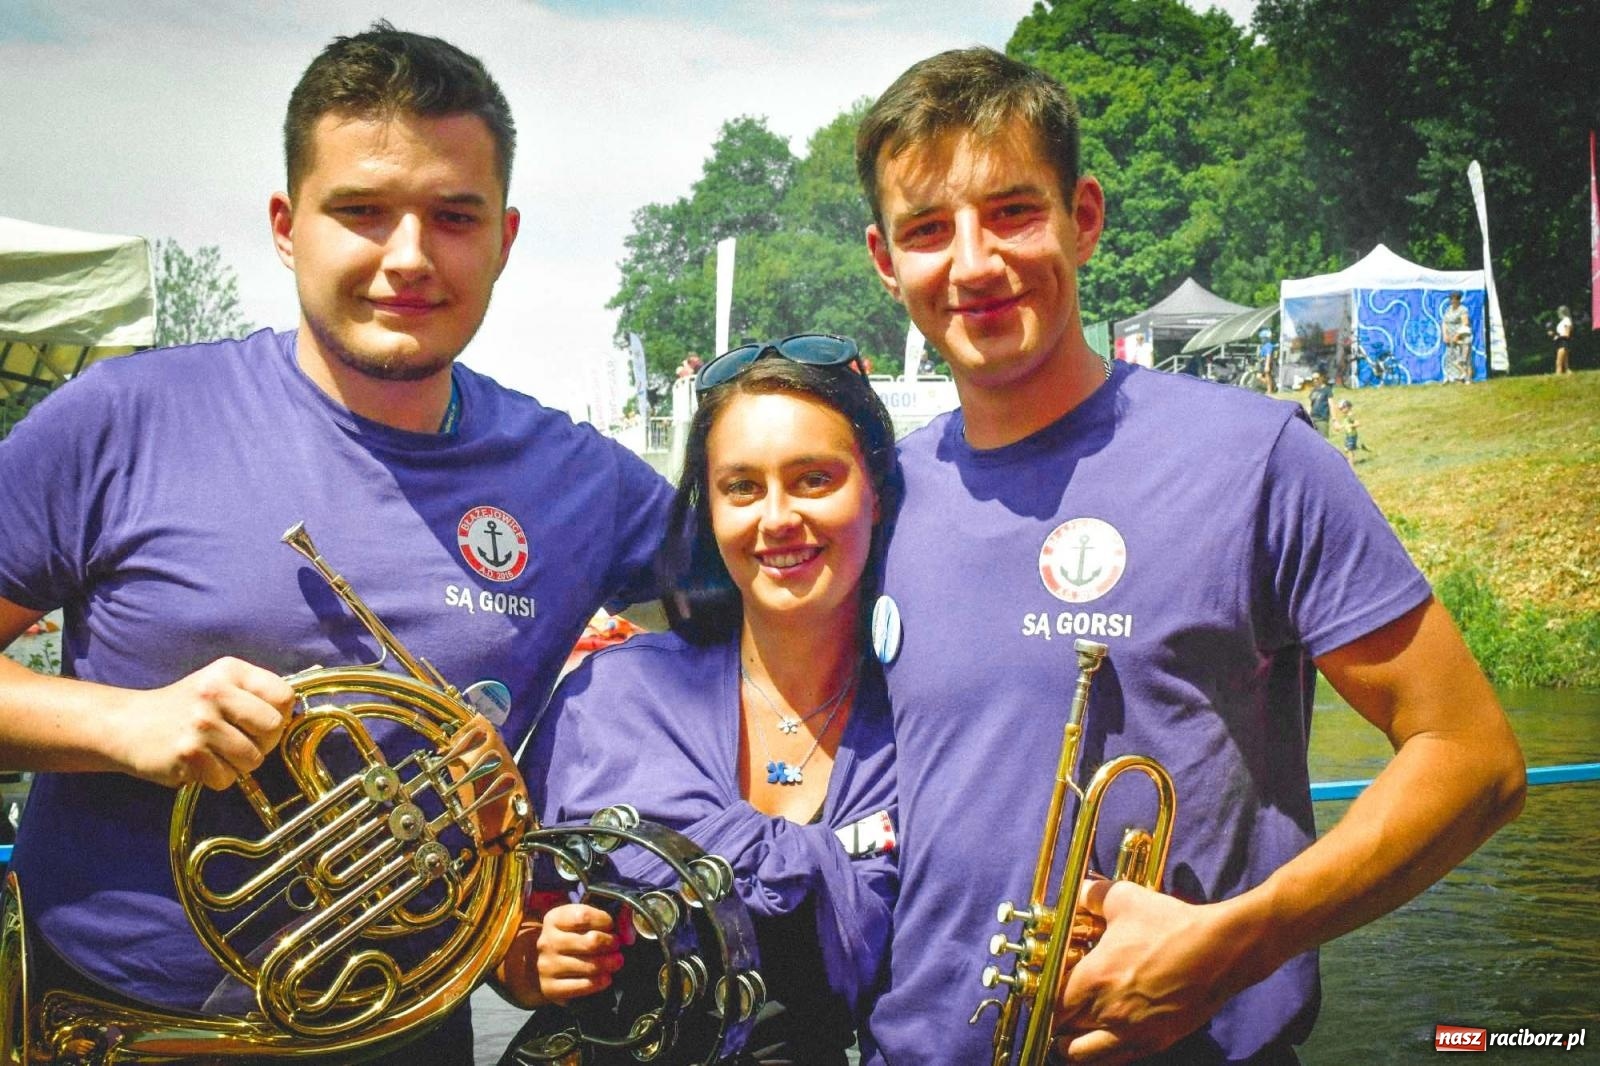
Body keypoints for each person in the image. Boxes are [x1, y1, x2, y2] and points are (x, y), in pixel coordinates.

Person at [0, 23, 672, 1064]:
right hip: (108, 1024)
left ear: (504, 235)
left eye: (454, 217)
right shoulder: (121, 418)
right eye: (361, 211)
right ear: (286, 224)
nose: (408, 256)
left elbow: (773, 638)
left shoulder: (582, 476)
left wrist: (531, 886)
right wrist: (125, 725)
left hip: (408, 1030)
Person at [854, 46, 1524, 1065]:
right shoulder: (877, 498)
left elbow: (1471, 760)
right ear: (883, 259)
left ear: (1084, 217)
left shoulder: (1257, 458)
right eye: (928, 230)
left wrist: (1231, 942)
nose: (974, 261)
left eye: (1011, 211)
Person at [507, 336, 900, 1063]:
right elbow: (511, 924)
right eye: (742, 487)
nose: (777, 517)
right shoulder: (609, 698)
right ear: (708, 508)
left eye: (814, 479)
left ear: (874, 490)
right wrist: (533, 962)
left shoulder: (927, 726)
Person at [1440, 290, 1473, 382]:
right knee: (1450, 358)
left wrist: (1457, 335)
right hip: (1450, 338)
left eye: (1454, 299)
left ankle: (1467, 379)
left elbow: (1465, 323)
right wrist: (1445, 334)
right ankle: (1452, 377)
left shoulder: (1463, 309)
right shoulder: (1448, 309)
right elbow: (1444, 322)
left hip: (1461, 338)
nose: (1452, 301)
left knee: (1464, 359)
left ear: (1458, 299)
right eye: (1451, 299)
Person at [1306, 371, 1334, 437]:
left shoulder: (1327, 390)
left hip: (1322, 420)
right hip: (1312, 419)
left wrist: (1334, 419)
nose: (1315, 380)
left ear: (1321, 378)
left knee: (1323, 441)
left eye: (1317, 378)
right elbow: (1309, 406)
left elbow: (1331, 405)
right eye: (1313, 379)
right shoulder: (1313, 391)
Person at [1335, 397, 1360, 464]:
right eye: (1340, 409)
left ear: (1347, 407)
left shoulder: (1350, 416)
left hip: (1352, 435)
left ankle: (1351, 462)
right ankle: (1351, 459)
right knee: (1346, 449)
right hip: (1348, 435)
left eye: (1342, 408)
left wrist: (1351, 426)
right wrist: (1340, 427)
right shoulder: (1346, 417)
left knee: (1349, 449)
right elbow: (1345, 424)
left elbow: (1357, 423)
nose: (1341, 410)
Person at [1550, 305, 1573, 375]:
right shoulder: (1563, 321)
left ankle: (1557, 377)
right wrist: (1554, 335)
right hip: (1561, 342)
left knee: (1559, 362)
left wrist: (1557, 337)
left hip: (1563, 342)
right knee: (1565, 365)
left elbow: (1567, 334)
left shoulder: (1567, 320)